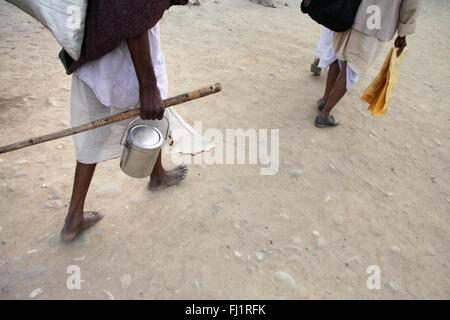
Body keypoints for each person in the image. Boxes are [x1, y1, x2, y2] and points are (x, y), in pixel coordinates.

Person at [60, 1, 212, 241]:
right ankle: (157, 177)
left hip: (96, 39)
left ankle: (74, 217)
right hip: (126, 50)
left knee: (96, 131)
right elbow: (131, 10)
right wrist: (148, 85)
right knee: (152, 108)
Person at [314, 0, 422, 127]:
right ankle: (324, 114)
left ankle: (325, 100)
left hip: (350, 14)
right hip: (376, 23)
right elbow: (411, 5)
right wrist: (403, 34)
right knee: (351, 68)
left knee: (339, 56)